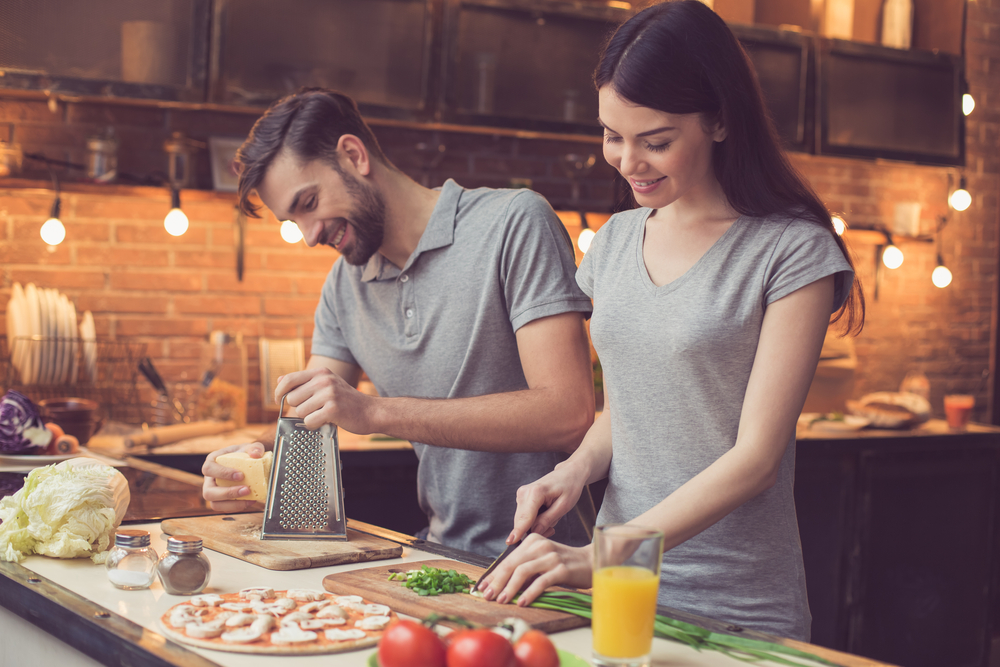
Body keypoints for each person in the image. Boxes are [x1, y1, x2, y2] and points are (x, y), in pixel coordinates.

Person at [477, 0, 865, 641]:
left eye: (655, 141)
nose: (629, 162)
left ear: (719, 121)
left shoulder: (792, 252)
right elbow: (631, 409)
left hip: (736, 604)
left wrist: (597, 556)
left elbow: (756, 458)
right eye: (611, 136)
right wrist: (571, 471)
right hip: (621, 592)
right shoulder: (613, 243)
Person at [200, 88, 597, 558]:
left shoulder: (513, 223)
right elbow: (306, 416)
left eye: (308, 203)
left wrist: (373, 412)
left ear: (353, 155)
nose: (308, 237)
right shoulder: (342, 286)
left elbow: (568, 414)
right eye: (293, 219)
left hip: (552, 561)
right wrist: (246, 461)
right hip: (439, 554)